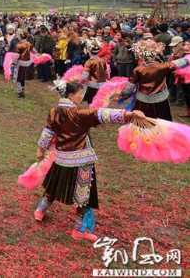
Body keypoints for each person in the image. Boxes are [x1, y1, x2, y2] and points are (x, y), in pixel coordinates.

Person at [33, 80, 145, 242]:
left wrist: (40, 151)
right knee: (83, 196)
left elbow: (47, 132)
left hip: (61, 158)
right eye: (79, 94)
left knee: (54, 185)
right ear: (71, 96)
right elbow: (103, 115)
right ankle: (79, 230)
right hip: (81, 160)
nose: (81, 97)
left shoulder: (53, 112)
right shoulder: (80, 114)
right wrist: (129, 114)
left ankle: (40, 211)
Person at [118, 40, 190, 119]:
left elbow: (130, 86)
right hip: (160, 99)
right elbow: (180, 62)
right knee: (161, 120)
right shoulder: (163, 67)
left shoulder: (138, 69)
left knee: (141, 120)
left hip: (142, 99)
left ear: (141, 56)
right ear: (155, 55)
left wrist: (122, 96)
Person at [79, 39, 108, 104]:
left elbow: (85, 75)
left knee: (91, 100)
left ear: (90, 51)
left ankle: (92, 112)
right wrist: (107, 79)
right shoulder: (102, 61)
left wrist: (80, 83)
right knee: (100, 99)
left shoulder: (89, 62)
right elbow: (106, 73)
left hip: (92, 84)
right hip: (102, 83)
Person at [12, 31, 34, 98]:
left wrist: (13, 63)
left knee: (18, 78)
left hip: (20, 63)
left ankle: (20, 91)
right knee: (23, 78)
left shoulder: (19, 45)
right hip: (27, 63)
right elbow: (33, 50)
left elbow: (16, 55)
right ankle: (23, 90)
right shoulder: (29, 44)